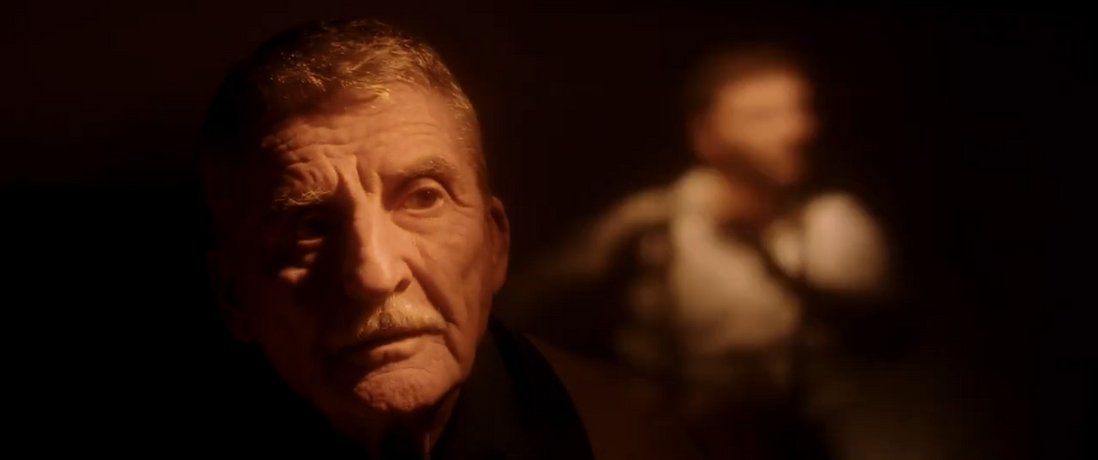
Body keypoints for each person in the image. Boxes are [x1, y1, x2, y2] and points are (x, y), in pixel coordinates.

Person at [195, 19, 701, 459]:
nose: (375, 275)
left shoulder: (645, 438)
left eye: (423, 198)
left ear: (494, 244)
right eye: (310, 227)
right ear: (233, 296)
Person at [497, 44, 900, 459]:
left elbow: (889, 344)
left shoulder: (838, 227)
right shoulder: (653, 225)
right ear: (706, 135)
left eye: (799, 110)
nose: (794, 131)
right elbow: (536, 300)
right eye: (762, 116)